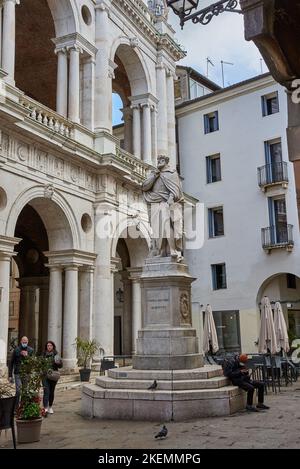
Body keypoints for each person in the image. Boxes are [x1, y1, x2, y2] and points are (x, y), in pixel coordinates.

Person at [142, 155, 184, 262]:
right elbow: (145, 187)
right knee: (157, 230)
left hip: (166, 203)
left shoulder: (172, 173)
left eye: (161, 160)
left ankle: (173, 250)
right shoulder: (153, 174)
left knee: (166, 226)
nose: (159, 162)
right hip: (154, 203)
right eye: (158, 160)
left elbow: (176, 190)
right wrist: (154, 176)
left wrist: (170, 198)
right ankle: (162, 251)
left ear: (166, 161)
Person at [8, 336, 34, 406]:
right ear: (21, 342)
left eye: (26, 342)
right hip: (17, 373)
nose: (24, 343)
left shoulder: (31, 350)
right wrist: (10, 375)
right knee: (18, 390)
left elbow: (33, 362)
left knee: (25, 391)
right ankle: (16, 407)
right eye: (23, 342)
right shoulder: (16, 350)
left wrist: (27, 356)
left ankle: (22, 407)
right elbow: (11, 363)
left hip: (26, 373)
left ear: (28, 342)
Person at [42, 341, 62, 415]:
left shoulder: (56, 354)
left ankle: (50, 407)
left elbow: (60, 366)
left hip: (53, 375)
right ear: (46, 347)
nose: (49, 347)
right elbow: (40, 363)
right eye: (48, 345)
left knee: (51, 392)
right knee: (46, 391)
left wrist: (58, 363)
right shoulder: (43, 354)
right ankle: (45, 408)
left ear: (53, 346)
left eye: (50, 345)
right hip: (45, 375)